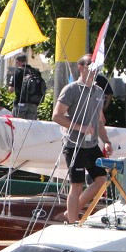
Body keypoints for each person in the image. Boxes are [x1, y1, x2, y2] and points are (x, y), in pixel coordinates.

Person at [52, 54, 113, 224]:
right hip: (74, 144)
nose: (94, 71)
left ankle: (71, 211)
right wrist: (80, 127)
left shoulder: (99, 91)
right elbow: (57, 116)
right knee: (77, 185)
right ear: (81, 67)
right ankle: (72, 222)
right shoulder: (71, 89)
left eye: (96, 69)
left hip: (92, 144)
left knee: (101, 181)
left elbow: (100, 122)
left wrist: (107, 141)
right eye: (90, 67)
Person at [10, 53, 45, 120]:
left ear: (17, 61)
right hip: (33, 105)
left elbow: (11, 89)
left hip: (20, 105)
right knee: (30, 128)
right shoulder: (36, 71)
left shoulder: (18, 71)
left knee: (17, 127)